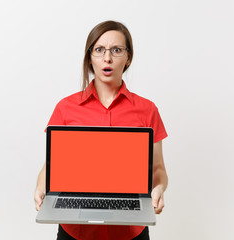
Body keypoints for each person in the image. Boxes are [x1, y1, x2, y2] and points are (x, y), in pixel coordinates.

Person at [34, 20, 168, 240]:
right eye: (99, 50)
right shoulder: (65, 108)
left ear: (128, 58)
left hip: (130, 231)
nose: (107, 58)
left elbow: (158, 169)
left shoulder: (147, 110)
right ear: (90, 58)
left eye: (116, 50)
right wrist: (41, 188)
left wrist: (159, 188)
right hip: (75, 230)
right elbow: (50, 166)